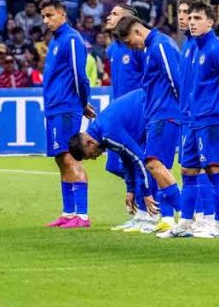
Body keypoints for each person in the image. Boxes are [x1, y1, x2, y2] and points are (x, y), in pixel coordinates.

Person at [69, 89, 181, 228]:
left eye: (90, 155)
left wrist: (147, 194)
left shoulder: (108, 133)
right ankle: (165, 219)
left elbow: (139, 159)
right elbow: (127, 158)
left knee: (156, 166)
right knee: (155, 167)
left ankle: (179, 217)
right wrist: (131, 190)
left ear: (89, 143)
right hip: (156, 112)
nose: (94, 158)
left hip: (162, 112)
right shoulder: (101, 132)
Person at [113, 15, 183, 236]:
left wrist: (183, 111)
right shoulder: (151, 47)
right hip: (157, 113)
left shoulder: (161, 45)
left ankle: (187, 215)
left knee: (154, 163)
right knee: (159, 166)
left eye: (128, 42)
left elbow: (176, 79)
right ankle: (170, 219)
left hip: (165, 114)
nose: (130, 47)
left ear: (136, 32)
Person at [179, 0, 219, 239]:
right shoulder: (194, 48)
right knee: (187, 170)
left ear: (210, 22)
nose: (192, 23)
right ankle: (184, 222)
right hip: (194, 118)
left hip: (213, 118)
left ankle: (218, 225)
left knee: (214, 169)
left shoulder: (217, 49)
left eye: (197, 19)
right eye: (190, 19)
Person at [41, 0, 95, 228]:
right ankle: (68, 213)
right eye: (44, 16)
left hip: (67, 106)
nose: (46, 20)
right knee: (60, 158)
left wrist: (84, 102)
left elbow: (79, 74)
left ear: (62, 14)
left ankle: (82, 215)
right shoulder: (55, 41)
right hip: (55, 107)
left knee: (69, 156)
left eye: (50, 15)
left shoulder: (72, 39)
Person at [101, 3, 147, 231]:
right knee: (118, 164)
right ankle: (141, 212)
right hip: (120, 113)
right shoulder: (113, 49)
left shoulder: (137, 47)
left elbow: (149, 78)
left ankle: (149, 212)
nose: (109, 17)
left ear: (127, 19)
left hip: (137, 113)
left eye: (115, 14)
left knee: (138, 162)